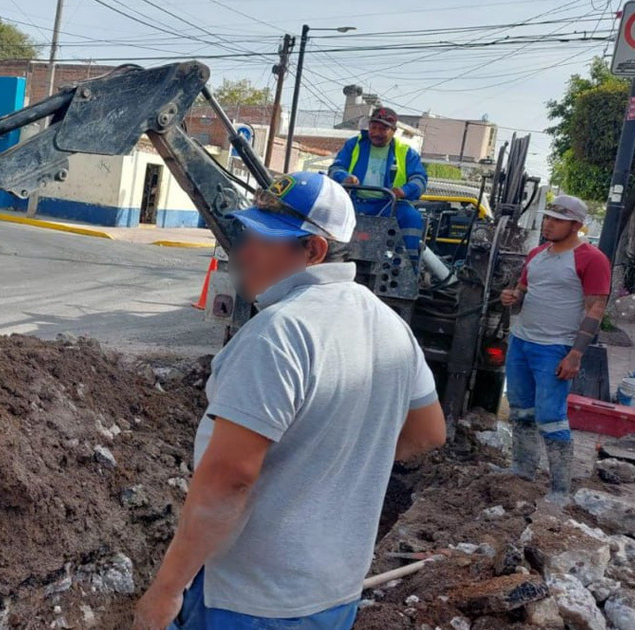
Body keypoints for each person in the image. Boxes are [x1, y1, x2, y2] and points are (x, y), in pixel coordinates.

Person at [132, 172, 446, 630]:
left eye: (264, 239)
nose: (244, 251)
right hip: (334, 594)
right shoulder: (389, 326)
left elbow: (228, 481)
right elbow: (428, 432)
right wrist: (334, 457)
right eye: (248, 234)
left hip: (249, 600)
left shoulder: (279, 333)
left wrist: (166, 589)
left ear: (314, 251)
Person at [500, 195, 610, 503]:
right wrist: (511, 298)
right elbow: (522, 292)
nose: (548, 224)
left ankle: (560, 489)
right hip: (522, 341)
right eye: (547, 218)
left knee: (551, 417)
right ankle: (522, 469)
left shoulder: (591, 259)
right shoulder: (537, 254)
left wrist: (575, 354)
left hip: (554, 347)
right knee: (521, 409)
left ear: (577, 225)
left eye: (557, 220)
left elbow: (595, 308)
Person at [327, 107, 429, 267]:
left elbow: (420, 180)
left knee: (411, 217)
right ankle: (325, 259)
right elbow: (335, 168)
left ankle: (407, 266)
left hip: (389, 205)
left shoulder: (406, 152)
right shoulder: (354, 145)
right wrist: (345, 177)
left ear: (393, 131)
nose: (376, 132)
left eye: (382, 129)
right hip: (354, 202)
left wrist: (404, 191)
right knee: (325, 211)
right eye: (373, 127)